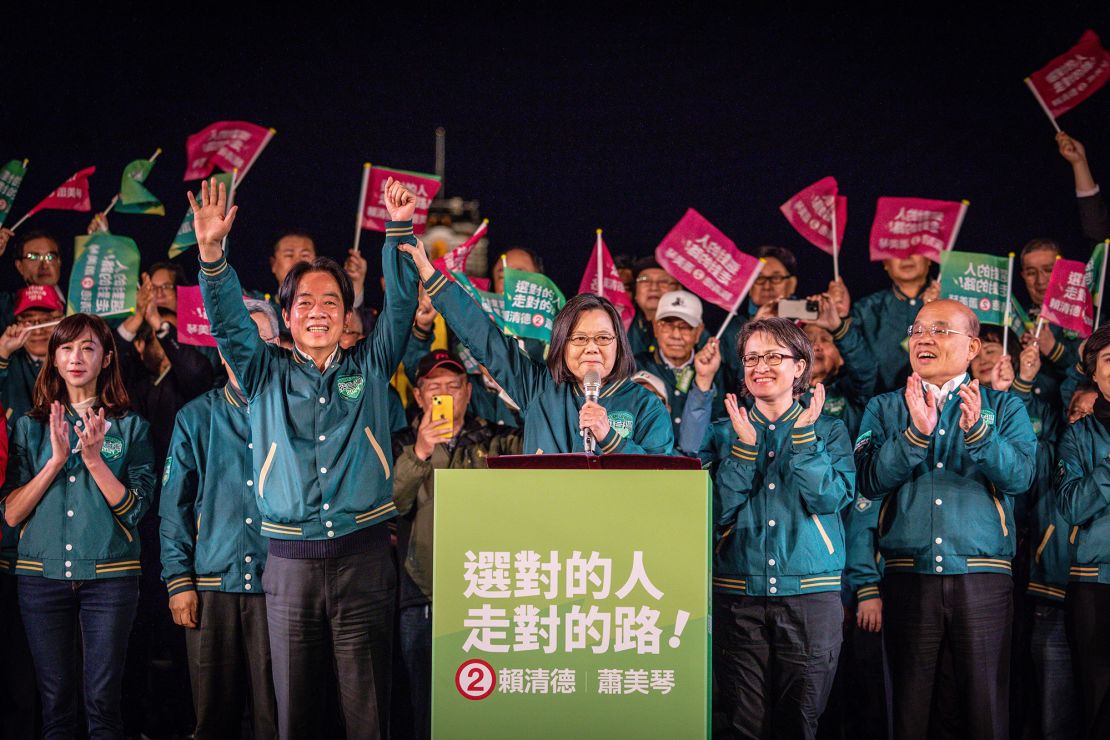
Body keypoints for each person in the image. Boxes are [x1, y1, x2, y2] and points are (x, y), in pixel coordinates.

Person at [191, 176, 419, 738]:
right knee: (295, 714)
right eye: (306, 303)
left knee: (368, 714)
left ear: (347, 318)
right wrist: (213, 255)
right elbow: (226, 322)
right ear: (287, 316)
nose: (319, 312)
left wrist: (397, 231)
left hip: (365, 561)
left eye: (332, 303)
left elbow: (403, 307)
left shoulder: (367, 368)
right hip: (289, 566)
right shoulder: (263, 371)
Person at [854, 299, 1037, 739]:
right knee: (909, 709)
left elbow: (1021, 477)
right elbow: (869, 481)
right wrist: (915, 435)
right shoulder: (884, 407)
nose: (924, 339)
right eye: (917, 330)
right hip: (907, 576)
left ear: (973, 346)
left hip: (982, 577)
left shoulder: (1003, 408)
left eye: (940, 330)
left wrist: (979, 434)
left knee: (984, 709)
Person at [1, 313, 154, 738]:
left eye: (88, 347)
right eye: (66, 347)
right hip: (40, 579)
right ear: (53, 357)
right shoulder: (30, 427)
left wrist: (93, 459)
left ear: (106, 358)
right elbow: (11, 514)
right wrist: (54, 461)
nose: (76, 357)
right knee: (55, 707)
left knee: (103, 705)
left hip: (110, 580)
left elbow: (134, 509)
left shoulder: (131, 426)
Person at [709, 317, 855, 738]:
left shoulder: (829, 429)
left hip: (811, 597)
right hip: (738, 597)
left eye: (774, 356)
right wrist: (743, 449)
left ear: (800, 367)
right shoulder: (722, 433)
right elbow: (715, 511)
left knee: (800, 722)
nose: (761, 366)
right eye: (752, 357)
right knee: (741, 724)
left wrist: (806, 439)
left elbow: (830, 500)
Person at [408, 244, 674, 456]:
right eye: (579, 338)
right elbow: (483, 336)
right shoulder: (537, 387)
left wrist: (611, 439)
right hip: (546, 521)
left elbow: (662, 480)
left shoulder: (646, 406)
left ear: (620, 344)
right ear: (561, 344)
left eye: (603, 338)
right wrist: (431, 276)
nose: (591, 348)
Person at [158, 299, 281, 739]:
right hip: (212, 586)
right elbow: (174, 506)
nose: (246, 350)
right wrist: (178, 581)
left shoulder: (295, 412)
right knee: (213, 720)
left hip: (280, 586)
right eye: (236, 340)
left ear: (277, 347)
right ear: (221, 346)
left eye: (259, 340)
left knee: (279, 718)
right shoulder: (195, 417)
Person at [390, 349, 521, 739]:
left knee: (485, 699)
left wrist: (508, 395)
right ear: (419, 396)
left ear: (467, 392)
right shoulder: (401, 442)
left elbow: (542, 451)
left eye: (453, 386)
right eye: (435, 388)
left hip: (487, 592)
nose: (445, 394)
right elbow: (391, 505)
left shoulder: (496, 439)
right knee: (424, 703)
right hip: (422, 591)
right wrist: (421, 451)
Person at [1054, 325, 1110, 738]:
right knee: (1096, 698)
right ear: (1094, 373)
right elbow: (1072, 506)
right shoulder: (1077, 435)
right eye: (1109, 361)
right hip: (1096, 584)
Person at [635, 289, 722, 438]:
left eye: (685, 326)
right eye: (667, 325)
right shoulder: (635, 366)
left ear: (699, 331)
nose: (676, 335)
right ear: (656, 327)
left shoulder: (716, 371)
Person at [849, 253, 939, 395]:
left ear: (929, 258)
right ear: (885, 263)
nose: (906, 257)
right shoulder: (865, 309)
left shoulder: (953, 302)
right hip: (883, 408)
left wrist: (941, 311)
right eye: (896, 250)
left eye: (915, 249)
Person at [0, 286, 65, 424]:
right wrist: (3, 351)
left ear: (62, 320)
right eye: (28, 321)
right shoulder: (9, 364)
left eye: (47, 320)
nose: (38, 331)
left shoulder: (78, 364)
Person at [0, 229, 65, 333]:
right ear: (19, 266)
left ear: (59, 262)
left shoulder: (78, 296)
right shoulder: (5, 306)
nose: (44, 265)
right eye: (33, 257)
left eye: (50, 256)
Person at [627, 257, 680, 356]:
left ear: (678, 289)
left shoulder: (691, 329)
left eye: (664, 281)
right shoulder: (620, 327)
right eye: (645, 280)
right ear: (635, 292)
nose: (653, 287)